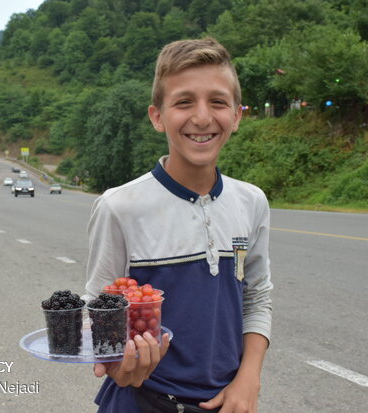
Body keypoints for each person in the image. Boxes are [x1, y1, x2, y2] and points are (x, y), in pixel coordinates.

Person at [84, 38, 273, 413]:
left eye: (218, 102)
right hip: (141, 401)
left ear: (237, 115)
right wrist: (117, 366)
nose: (202, 117)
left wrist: (248, 379)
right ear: (158, 116)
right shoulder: (120, 206)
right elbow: (99, 311)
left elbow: (257, 296)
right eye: (184, 102)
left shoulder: (251, 202)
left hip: (228, 402)